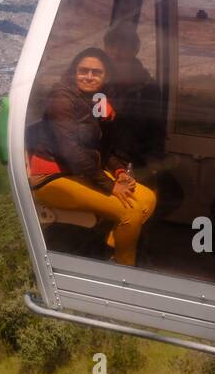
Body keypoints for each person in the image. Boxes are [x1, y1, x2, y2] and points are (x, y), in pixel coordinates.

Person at [29, 47, 157, 266]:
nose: (89, 77)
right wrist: (110, 185)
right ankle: (124, 268)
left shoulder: (94, 100)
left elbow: (102, 148)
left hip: (80, 172)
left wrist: (118, 172)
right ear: (73, 72)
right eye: (83, 70)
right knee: (130, 214)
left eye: (96, 72)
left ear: (106, 76)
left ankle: (108, 250)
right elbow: (70, 153)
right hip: (52, 176)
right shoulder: (61, 99)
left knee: (148, 199)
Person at [103, 21, 165, 169]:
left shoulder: (148, 86)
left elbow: (156, 129)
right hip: (101, 158)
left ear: (134, 49)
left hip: (134, 161)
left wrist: (152, 163)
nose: (117, 51)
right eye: (112, 45)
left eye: (124, 46)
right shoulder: (99, 81)